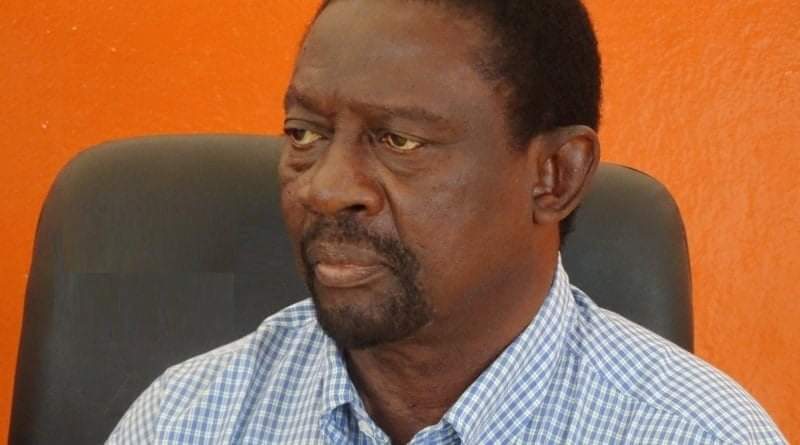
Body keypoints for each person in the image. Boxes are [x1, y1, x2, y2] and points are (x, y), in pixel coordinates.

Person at [108, 0, 786, 443]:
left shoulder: (692, 433)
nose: (326, 188)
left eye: (399, 140)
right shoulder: (188, 421)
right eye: (304, 133)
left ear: (555, 175)